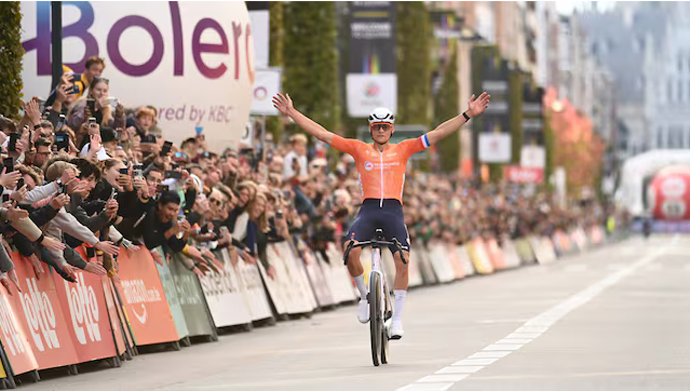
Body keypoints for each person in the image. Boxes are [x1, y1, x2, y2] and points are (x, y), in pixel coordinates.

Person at [272, 91, 490, 339]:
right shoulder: (358, 148)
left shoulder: (404, 149)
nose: (380, 131)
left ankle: (396, 320)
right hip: (369, 210)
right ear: (371, 128)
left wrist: (467, 115)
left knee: (403, 260)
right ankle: (365, 295)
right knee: (351, 250)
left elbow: (438, 133)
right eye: (376, 127)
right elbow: (321, 134)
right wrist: (291, 113)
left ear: (392, 129)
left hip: (393, 212)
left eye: (385, 127)